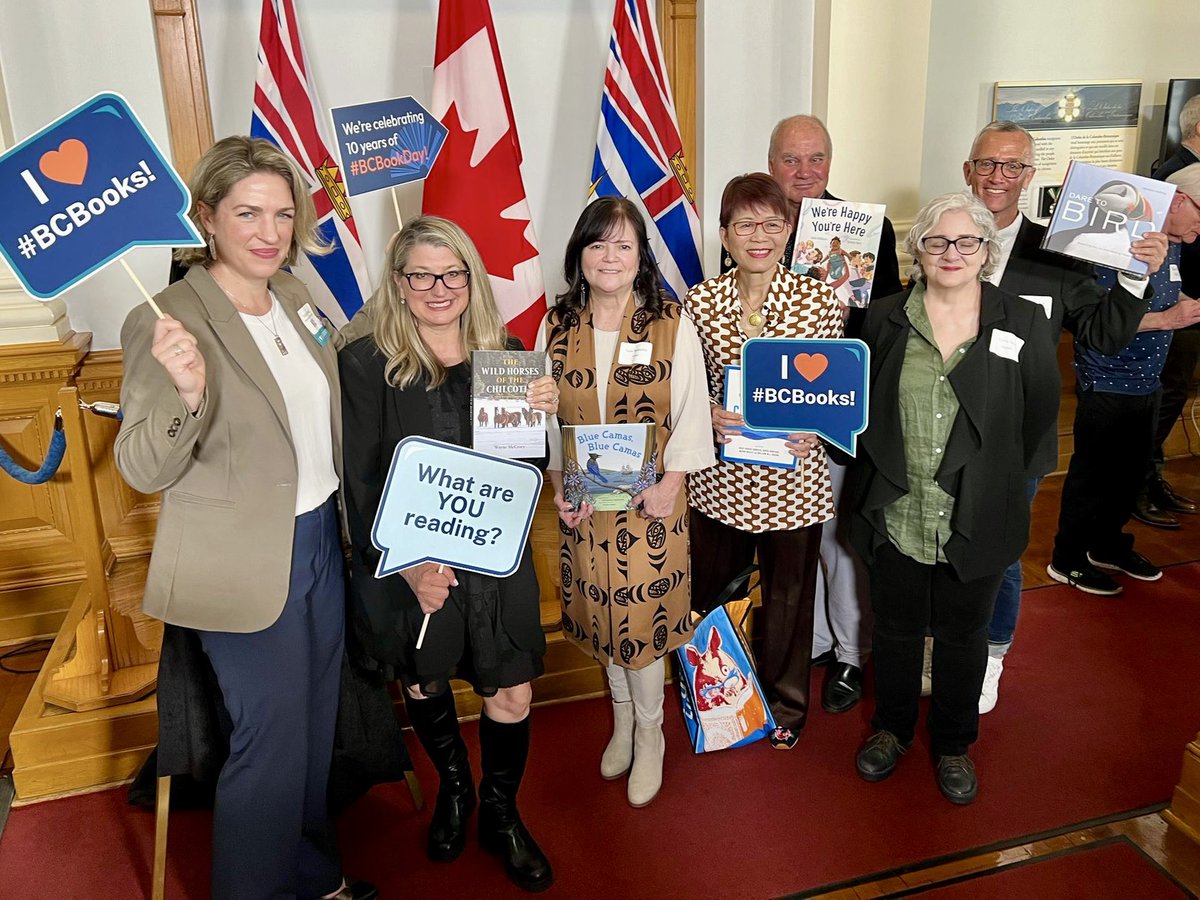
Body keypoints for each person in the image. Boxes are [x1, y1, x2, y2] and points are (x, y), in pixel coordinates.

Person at [114, 136, 374, 900]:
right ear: (207, 218)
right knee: (269, 742)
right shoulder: (164, 318)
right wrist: (189, 397)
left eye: (283, 214)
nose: (269, 232)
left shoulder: (295, 297)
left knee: (314, 726)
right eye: (248, 213)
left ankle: (314, 876)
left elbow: (343, 368)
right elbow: (140, 465)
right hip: (241, 562)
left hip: (323, 537)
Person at [339, 216, 557, 893]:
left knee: (512, 692)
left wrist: (540, 415)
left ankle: (499, 811)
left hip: (496, 559)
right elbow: (362, 480)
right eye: (422, 275)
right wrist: (407, 565)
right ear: (400, 284)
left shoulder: (507, 351)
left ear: (471, 278)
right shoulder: (366, 361)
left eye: (453, 273)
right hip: (416, 565)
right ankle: (454, 791)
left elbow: (525, 471)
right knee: (425, 682)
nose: (440, 288)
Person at [851, 191, 1059, 805]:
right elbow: (860, 411)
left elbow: (1039, 413)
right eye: (937, 241)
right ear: (918, 250)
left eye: (967, 242)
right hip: (897, 508)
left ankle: (953, 743)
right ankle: (891, 730)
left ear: (986, 252)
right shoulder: (883, 317)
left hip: (978, 511)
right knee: (893, 630)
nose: (951, 252)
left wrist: (1001, 483)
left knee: (964, 636)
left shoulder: (1022, 321)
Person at [960, 120, 1167, 711]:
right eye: (988, 164)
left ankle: (993, 655)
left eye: (1013, 166)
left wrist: (1134, 276)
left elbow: (1102, 337)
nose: (998, 177)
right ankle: (944, 641)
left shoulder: (1059, 251)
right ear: (967, 169)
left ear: (1029, 177)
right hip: (939, 429)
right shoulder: (940, 235)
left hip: (1016, 437)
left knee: (998, 553)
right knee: (941, 543)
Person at [537, 197, 714, 808]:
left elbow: (692, 412)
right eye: (597, 244)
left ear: (640, 257)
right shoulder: (556, 325)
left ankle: (650, 732)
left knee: (642, 622)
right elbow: (550, 418)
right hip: (586, 506)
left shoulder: (670, 320)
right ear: (579, 254)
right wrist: (561, 485)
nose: (609, 256)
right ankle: (620, 723)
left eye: (622, 245)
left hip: (652, 506)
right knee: (600, 619)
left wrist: (674, 483)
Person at [685, 173, 843, 749]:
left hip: (794, 482)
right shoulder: (699, 303)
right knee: (712, 593)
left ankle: (785, 709)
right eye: (745, 224)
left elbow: (838, 392)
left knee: (789, 602)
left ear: (790, 232)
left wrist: (817, 428)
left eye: (772, 224)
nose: (759, 236)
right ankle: (718, 702)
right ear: (724, 234)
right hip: (717, 483)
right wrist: (707, 409)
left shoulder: (820, 299)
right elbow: (683, 389)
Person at [764, 115, 905, 713]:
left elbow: (892, 319)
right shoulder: (756, 226)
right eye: (791, 160)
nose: (804, 173)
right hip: (772, 411)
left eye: (815, 159)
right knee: (794, 536)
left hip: (839, 408)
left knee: (838, 540)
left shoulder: (868, 229)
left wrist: (845, 319)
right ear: (771, 164)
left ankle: (851, 651)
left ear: (830, 162)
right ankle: (815, 641)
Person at [1049, 165, 1200, 595]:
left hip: (1148, 380)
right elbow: (1099, 324)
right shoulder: (1118, 248)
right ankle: (1069, 558)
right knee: (1093, 477)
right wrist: (1169, 319)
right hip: (1108, 379)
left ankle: (1108, 545)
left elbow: (1168, 292)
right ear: (1177, 200)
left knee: (1129, 476)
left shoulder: (1170, 247)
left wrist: (1185, 305)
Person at [1136, 95, 1200, 527]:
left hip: (1182, 299)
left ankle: (1149, 478)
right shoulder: (1174, 176)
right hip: (1171, 302)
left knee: (1170, 394)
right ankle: (1140, 483)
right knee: (1164, 394)